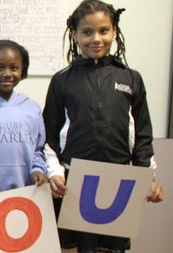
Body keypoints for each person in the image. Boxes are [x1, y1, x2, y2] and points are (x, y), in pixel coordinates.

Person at [43, 0, 164, 252]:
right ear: (75, 35)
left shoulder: (131, 79)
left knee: (110, 248)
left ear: (114, 32)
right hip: (73, 183)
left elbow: (142, 135)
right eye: (87, 32)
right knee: (74, 247)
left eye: (103, 31)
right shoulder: (62, 81)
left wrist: (147, 178)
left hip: (119, 181)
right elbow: (49, 135)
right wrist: (55, 172)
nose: (96, 39)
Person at [0, 40, 50, 203]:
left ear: (22, 70)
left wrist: (38, 170)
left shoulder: (32, 109)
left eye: (14, 68)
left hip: (29, 194)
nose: (7, 74)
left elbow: (39, 149)